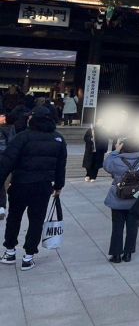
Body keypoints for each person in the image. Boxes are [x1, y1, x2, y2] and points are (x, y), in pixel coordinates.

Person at [0, 106, 67, 271]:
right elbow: (61, 167)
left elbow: (7, 161)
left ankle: (9, 251)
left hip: (20, 185)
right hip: (43, 187)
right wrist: (58, 186)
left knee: (14, 218)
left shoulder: (22, 137)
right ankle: (28, 257)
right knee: (36, 221)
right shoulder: (58, 139)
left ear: (33, 119)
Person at [103, 138, 139, 262]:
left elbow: (106, 165)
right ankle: (128, 253)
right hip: (136, 198)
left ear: (123, 146)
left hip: (119, 198)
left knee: (117, 227)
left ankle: (116, 254)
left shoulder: (116, 160)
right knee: (132, 227)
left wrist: (115, 151)